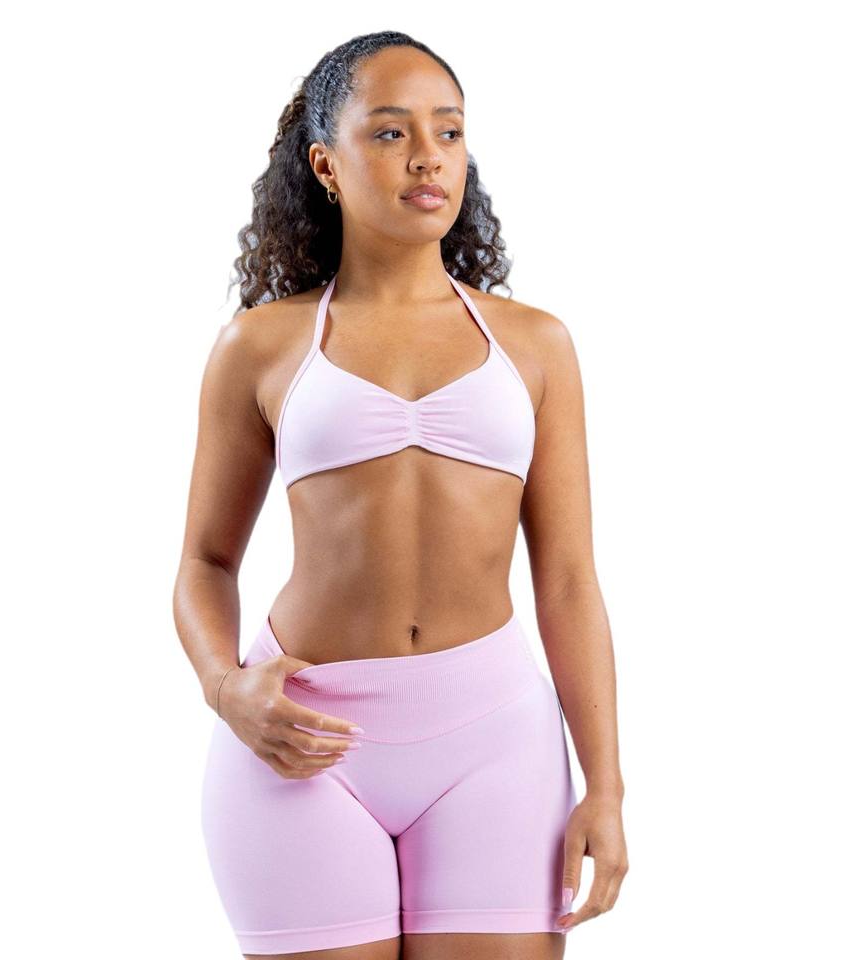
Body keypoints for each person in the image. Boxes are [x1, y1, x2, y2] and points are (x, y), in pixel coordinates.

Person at [173, 29, 627, 960]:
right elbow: (205, 561)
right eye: (390, 133)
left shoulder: (535, 345)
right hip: (301, 743)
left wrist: (607, 787)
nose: (429, 156)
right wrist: (226, 689)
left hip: (495, 742)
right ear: (325, 165)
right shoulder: (260, 346)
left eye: (448, 131)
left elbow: (570, 580)